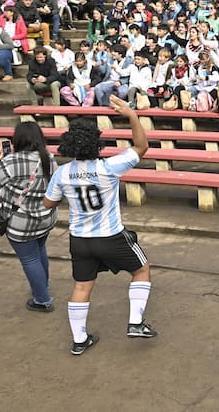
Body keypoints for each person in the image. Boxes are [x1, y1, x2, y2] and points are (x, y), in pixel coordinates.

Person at [43, 96, 157, 355]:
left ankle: (80, 340)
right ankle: (136, 323)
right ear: (97, 142)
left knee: (82, 286)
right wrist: (131, 115)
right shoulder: (109, 167)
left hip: (79, 240)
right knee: (141, 270)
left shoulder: (62, 172)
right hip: (111, 237)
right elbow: (141, 147)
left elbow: (48, 203)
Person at [0, 122, 59, 312]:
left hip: (21, 222)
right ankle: (43, 287)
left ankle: (42, 299)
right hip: (46, 217)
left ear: (18, 140)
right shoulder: (48, 157)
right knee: (40, 250)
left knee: (30, 259)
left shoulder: (11, 161)